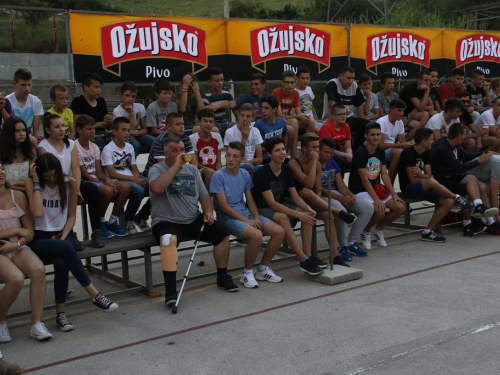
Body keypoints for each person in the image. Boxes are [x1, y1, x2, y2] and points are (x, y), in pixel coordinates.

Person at [26, 154, 119, 332]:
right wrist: (37, 183)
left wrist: (62, 237)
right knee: (66, 249)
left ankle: (60, 315)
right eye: (46, 176)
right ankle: (95, 294)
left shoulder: (69, 184)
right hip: (39, 237)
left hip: (63, 233)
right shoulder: (32, 184)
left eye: (54, 174)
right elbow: (37, 213)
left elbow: (71, 217)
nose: (51, 179)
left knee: (62, 260)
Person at [149, 137, 237, 307]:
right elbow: (157, 188)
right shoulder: (156, 168)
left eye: (182, 150)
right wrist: (175, 166)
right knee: (168, 239)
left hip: (192, 218)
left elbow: (204, 196)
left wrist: (208, 211)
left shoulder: (192, 170)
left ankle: (222, 276)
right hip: (166, 220)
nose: (181, 154)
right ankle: (170, 290)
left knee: (222, 232)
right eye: (175, 151)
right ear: (166, 154)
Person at [210, 141, 285, 288]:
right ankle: (247, 273)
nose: (230, 159)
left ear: (242, 159)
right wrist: (247, 221)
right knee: (256, 235)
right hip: (227, 217)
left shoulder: (244, 174)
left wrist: (256, 217)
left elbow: (250, 200)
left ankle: (263, 269)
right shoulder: (218, 176)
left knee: (279, 231)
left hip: (244, 212)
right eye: (228, 155)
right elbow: (224, 206)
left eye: (235, 156)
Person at [252, 137, 325, 276]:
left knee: (307, 214)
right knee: (283, 217)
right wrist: (298, 214)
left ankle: (308, 255)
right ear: (269, 154)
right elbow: (272, 203)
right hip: (261, 208)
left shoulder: (286, 168)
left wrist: (308, 210)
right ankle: (303, 259)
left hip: (277, 206)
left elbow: (295, 197)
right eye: (277, 150)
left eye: (283, 149)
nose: (282, 153)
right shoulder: (262, 173)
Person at [0, 163, 52, 342]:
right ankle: (1, 322)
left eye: (1, 168)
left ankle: (36, 324)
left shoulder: (18, 195)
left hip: (16, 246)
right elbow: (20, 230)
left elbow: (28, 230)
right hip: (0, 249)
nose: (0, 172)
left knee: (38, 269)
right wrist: (15, 231)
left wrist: (16, 244)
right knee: (15, 279)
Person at [288, 134, 355, 266]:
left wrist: (315, 203)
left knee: (328, 215)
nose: (317, 151)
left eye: (318, 147)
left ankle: (335, 255)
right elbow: (308, 184)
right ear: (305, 149)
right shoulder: (293, 163)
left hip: (311, 203)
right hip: (295, 204)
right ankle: (308, 256)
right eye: (314, 147)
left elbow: (317, 189)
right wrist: (314, 163)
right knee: (306, 192)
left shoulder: (317, 164)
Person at [397, 128, 472, 242]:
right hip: (410, 189)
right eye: (431, 139)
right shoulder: (408, 153)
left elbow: (429, 174)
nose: (433, 141)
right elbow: (413, 180)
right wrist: (426, 178)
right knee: (432, 182)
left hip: (424, 187)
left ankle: (427, 231)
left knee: (448, 202)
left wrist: (422, 176)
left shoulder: (426, 153)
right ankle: (457, 197)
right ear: (424, 141)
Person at [429, 123, 498, 236]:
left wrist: (485, 153)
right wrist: (479, 161)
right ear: (459, 135)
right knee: (470, 189)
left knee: (481, 186)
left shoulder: (455, 146)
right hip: (441, 182)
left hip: (452, 177)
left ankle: (480, 217)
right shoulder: (443, 149)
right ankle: (480, 220)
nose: (465, 137)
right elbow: (459, 167)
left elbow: (467, 156)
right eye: (464, 135)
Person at [348, 122, 406, 249]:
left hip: (375, 188)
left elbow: (384, 175)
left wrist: (394, 194)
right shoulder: (360, 153)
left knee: (400, 207)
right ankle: (366, 231)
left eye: (378, 134)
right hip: (360, 191)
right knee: (380, 211)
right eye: (372, 135)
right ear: (366, 136)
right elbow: (364, 180)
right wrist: (377, 200)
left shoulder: (380, 151)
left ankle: (377, 229)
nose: (376, 137)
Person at [75, 115, 130, 246]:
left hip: (96, 178)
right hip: (85, 181)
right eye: (89, 129)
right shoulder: (75, 147)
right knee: (107, 191)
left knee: (125, 187)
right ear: (79, 130)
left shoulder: (93, 146)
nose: (92, 131)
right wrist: (103, 184)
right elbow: (85, 174)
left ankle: (112, 221)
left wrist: (107, 179)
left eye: (93, 128)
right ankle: (100, 221)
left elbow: (99, 171)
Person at [318, 137, 374, 260]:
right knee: (341, 210)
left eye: (331, 152)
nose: (328, 155)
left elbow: (341, 185)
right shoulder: (315, 165)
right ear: (319, 150)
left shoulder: (333, 163)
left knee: (368, 208)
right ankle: (343, 247)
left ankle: (351, 242)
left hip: (336, 192)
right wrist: (341, 198)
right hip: (321, 195)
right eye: (325, 152)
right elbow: (319, 189)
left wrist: (349, 195)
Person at [37, 113, 84, 250]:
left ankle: (73, 231)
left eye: (63, 125)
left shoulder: (71, 144)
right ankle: (64, 233)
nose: (62, 129)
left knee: (92, 191)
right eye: (57, 127)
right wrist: (70, 182)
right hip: (53, 183)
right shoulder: (43, 147)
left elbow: (75, 168)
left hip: (69, 183)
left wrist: (77, 188)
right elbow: (49, 172)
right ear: (48, 130)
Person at [101, 117, 149, 234]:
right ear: (114, 131)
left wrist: (138, 178)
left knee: (155, 186)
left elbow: (133, 168)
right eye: (123, 130)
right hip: (117, 179)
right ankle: (127, 220)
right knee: (139, 191)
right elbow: (111, 173)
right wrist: (133, 179)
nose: (127, 133)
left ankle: (141, 217)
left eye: (128, 130)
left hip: (130, 177)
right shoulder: (108, 149)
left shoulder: (130, 147)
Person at [321, 66, 369, 151]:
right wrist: (332, 121)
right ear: (341, 76)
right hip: (335, 118)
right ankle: (345, 149)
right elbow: (331, 105)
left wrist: (361, 120)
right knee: (348, 123)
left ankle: (357, 149)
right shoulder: (333, 84)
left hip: (349, 117)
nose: (351, 81)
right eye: (348, 78)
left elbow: (359, 105)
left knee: (366, 124)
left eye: (353, 78)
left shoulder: (354, 85)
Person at [70, 72, 113, 150]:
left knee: (118, 139)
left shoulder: (101, 101)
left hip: (103, 134)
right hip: (86, 136)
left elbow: (108, 127)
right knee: (99, 142)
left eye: (100, 87)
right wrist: (99, 124)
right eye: (96, 87)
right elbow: (79, 126)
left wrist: (109, 121)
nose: (99, 90)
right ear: (86, 87)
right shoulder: (78, 102)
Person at [113, 81, 154, 157]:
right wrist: (131, 113)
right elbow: (128, 130)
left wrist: (137, 133)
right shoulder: (117, 111)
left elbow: (146, 129)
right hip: (126, 135)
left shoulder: (140, 107)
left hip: (140, 134)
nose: (130, 99)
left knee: (155, 141)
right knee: (136, 145)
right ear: (121, 95)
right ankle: (131, 165)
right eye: (127, 96)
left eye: (133, 96)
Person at [376, 99, 413, 184]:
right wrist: (401, 145)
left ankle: (408, 184)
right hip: (380, 150)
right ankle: (389, 183)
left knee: (410, 152)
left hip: (392, 149)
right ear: (391, 110)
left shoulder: (399, 122)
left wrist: (410, 145)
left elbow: (402, 142)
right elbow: (380, 145)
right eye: (399, 111)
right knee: (398, 153)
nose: (401, 113)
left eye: (403, 111)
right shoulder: (382, 122)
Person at [194, 67, 236, 136]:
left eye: (222, 80)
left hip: (225, 124)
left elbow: (233, 104)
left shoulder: (227, 94)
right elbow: (203, 111)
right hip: (212, 125)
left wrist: (217, 106)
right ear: (209, 82)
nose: (220, 83)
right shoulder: (205, 96)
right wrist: (226, 104)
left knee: (238, 127)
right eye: (217, 81)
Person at [189, 109, 223, 189]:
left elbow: (218, 162)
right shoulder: (192, 138)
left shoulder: (217, 137)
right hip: (201, 169)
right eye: (205, 121)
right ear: (199, 122)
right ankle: (208, 196)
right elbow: (196, 163)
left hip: (214, 168)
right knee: (210, 172)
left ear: (214, 124)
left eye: (211, 122)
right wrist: (211, 171)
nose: (208, 124)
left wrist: (220, 173)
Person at [6, 68, 43, 141]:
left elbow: (36, 130)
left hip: (29, 138)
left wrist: (39, 138)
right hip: (12, 138)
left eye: (29, 85)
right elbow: (8, 127)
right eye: (23, 85)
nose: (27, 89)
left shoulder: (36, 101)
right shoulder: (8, 101)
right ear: (15, 84)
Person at [0, 116, 36, 192]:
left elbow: (33, 179)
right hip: (6, 194)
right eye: (17, 131)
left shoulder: (31, 150)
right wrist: (24, 187)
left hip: (28, 193)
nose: (22, 134)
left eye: (24, 130)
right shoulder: (1, 151)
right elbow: (3, 182)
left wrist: (13, 182)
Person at [224, 103, 263, 172]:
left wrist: (246, 162)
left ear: (253, 118)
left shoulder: (255, 131)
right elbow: (231, 157)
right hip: (236, 165)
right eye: (242, 115)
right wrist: (244, 139)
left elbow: (260, 159)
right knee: (249, 166)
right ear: (238, 116)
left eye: (248, 116)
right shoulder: (230, 132)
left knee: (262, 169)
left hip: (251, 163)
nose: (244, 119)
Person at [318, 103, 353, 176]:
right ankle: (339, 183)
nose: (343, 116)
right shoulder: (327, 127)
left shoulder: (346, 126)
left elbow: (348, 146)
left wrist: (350, 155)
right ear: (333, 116)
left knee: (357, 160)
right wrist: (346, 156)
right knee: (341, 161)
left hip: (341, 151)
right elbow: (329, 150)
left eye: (344, 114)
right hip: (330, 152)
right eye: (340, 114)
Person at [253, 97, 288, 162]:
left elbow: (285, 135)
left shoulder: (282, 122)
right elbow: (255, 146)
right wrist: (272, 151)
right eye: (262, 108)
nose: (263, 111)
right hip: (266, 158)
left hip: (279, 156)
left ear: (274, 109)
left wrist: (284, 149)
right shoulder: (258, 124)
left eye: (266, 108)